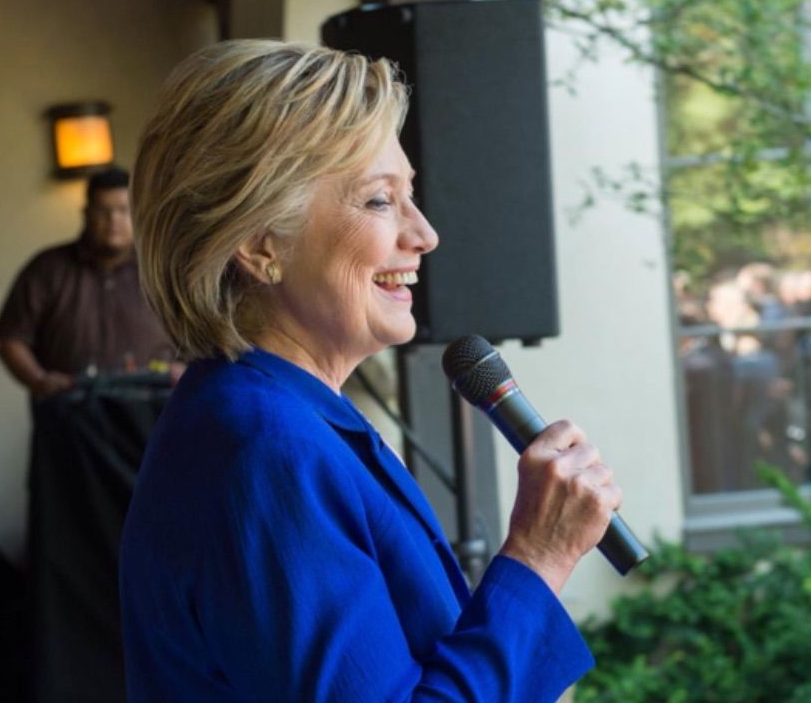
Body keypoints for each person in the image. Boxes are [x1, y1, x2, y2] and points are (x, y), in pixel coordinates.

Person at [119, 40, 621, 701]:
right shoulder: (266, 449)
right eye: (380, 202)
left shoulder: (282, 416)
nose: (424, 233)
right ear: (260, 241)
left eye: (408, 195)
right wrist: (538, 558)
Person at [0, 167, 176, 398]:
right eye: (103, 210)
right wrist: (39, 379)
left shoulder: (159, 269)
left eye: (123, 210)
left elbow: (195, 333)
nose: (113, 220)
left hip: (153, 410)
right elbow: (11, 340)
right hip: (70, 413)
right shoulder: (47, 268)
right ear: (86, 212)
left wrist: (187, 372)